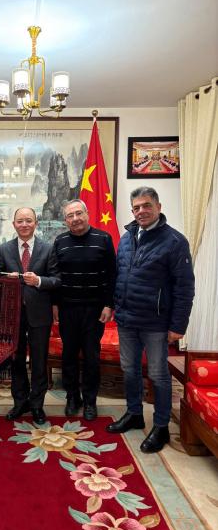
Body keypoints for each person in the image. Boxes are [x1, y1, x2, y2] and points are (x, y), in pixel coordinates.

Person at [107, 186, 195, 453]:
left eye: (146, 205)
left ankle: (161, 426)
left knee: (158, 374)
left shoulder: (175, 241)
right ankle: (134, 414)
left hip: (156, 323)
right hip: (126, 319)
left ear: (158, 206)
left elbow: (184, 287)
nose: (141, 211)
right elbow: (119, 276)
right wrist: (113, 306)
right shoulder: (126, 238)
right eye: (136, 207)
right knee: (129, 370)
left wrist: (178, 326)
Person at [0, 207, 61, 425]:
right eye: (20, 221)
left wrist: (38, 281)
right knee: (16, 360)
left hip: (40, 315)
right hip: (12, 315)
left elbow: (57, 280)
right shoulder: (4, 249)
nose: (24, 224)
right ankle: (20, 402)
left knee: (39, 362)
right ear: (14, 224)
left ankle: (37, 405)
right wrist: (6, 280)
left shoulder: (48, 248)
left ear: (35, 223)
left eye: (28, 220)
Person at [52, 199, 116, 421]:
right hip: (67, 309)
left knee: (91, 357)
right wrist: (55, 305)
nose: (75, 218)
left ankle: (90, 401)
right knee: (68, 355)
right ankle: (72, 397)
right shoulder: (59, 241)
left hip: (94, 310)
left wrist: (109, 304)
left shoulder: (103, 239)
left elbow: (112, 275)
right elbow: (56, 276)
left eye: (79, 213)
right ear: (65, 220)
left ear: (87, 214)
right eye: (70, 215)